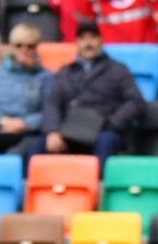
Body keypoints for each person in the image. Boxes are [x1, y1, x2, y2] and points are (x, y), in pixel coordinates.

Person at [24, 22, 143, 163]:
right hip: (69, 131)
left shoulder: (118, 70)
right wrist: (52, 131)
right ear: (76, 42)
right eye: (83, 39)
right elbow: (52, 103)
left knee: (106, 141)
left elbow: (136, 102)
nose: (88, 43)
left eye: (93, 37)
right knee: (36, 145)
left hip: (102, 130)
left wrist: (112, 123)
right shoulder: (65, 72)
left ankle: (99, 184)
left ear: (101, 40)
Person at [0, 24, 48, 155]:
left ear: (37, 48)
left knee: (15, 155)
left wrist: (24, 123)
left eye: (30, 46)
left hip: (27, 135)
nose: (24, 50)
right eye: (19, 45)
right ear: (11, 47)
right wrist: (1, 120)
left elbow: (49, 112)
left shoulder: (45, 76)